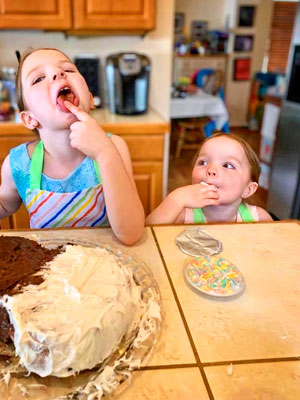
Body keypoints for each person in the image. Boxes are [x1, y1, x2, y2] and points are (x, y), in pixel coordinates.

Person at [0, 48, 145, 244]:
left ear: (91, 99)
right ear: (29, 119)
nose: (58, 74)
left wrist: (105, 154)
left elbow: (131, 234)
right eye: (38, 79)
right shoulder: (18, 165)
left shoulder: (114, 148)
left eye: (68, 70)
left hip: (105, 265)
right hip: (50, 270)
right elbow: (4, 205)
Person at [146, 132, 273, 224]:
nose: (211, 170)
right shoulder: (183, 216)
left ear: (248, 189)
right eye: (203, 162)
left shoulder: (258, 219)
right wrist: (176, 199)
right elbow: (149, 235)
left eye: (227, 165)